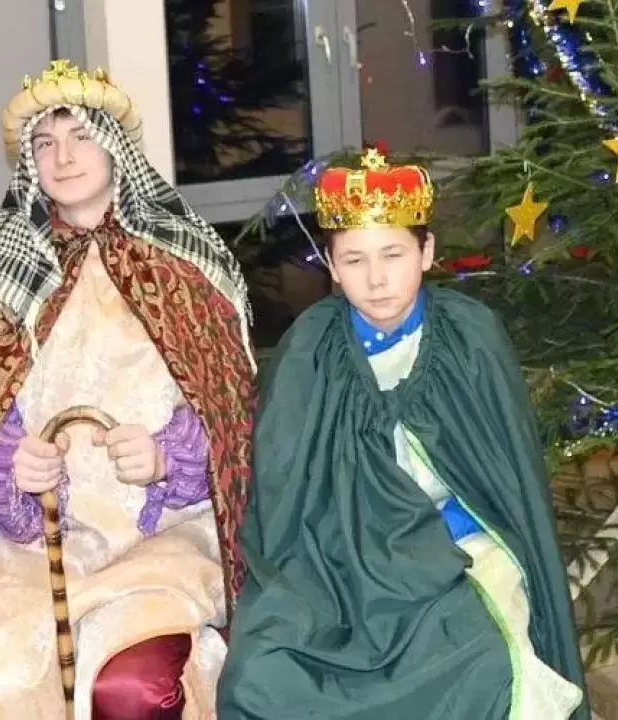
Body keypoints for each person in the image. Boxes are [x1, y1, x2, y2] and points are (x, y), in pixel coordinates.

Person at [0, 60, 255, 719]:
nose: (63, 157)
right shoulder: (4, 277)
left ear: (115, 147)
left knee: (126, 688)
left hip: (162, 544)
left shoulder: (185, 266)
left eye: (81, 136)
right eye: (45, 144)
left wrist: (168, 459)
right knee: (5, 688)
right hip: (39, 550)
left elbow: (231, 412)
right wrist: (12, 467)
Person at [217, 150, 588, 719]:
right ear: (331, 266)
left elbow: (504, 479)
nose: (376, 279)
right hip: (335, 557)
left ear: (427, 252)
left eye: (393, 254)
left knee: (482, 664)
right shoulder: (309, 349)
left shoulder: (469, 337)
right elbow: (283, 491)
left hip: (459, 547)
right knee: (261, 673)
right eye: (355, 259)